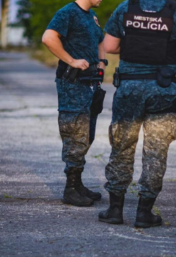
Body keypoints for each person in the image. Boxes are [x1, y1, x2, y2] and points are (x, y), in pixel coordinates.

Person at [98, 0, 176, 227]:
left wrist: (135, 46)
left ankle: (115, 210)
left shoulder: (125, 8)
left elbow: (110, 46)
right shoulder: (175, 12)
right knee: (156, 152)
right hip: (162, 91)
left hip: (129, 90)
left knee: (122, 147)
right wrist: (163, 49)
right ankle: (144, 213)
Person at [42, 0, 107, 207]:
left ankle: (78, 184)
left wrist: (102, 62)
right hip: (73, 85)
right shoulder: (68, 12)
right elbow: (48, 38)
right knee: (75, 136)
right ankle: (70, 189)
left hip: (90, 84)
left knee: (87, 135)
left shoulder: (91, 16)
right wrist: (72, 61)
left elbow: (100, 41)